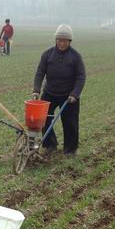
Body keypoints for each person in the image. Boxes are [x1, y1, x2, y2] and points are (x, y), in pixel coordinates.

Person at [32, 24, 86, 156]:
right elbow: (40, 72)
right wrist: (36, 90)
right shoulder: (47, 54)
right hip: (50, 92)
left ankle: (70, 149)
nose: (61, 43)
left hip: (68, 95)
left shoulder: (75, 57)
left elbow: (81, 76)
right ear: (55, 40)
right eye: (59, 40)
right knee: (43, 119)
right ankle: (50, 144)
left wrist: (75, 94)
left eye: (64, 40)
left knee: (70, 123)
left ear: (69, 41)